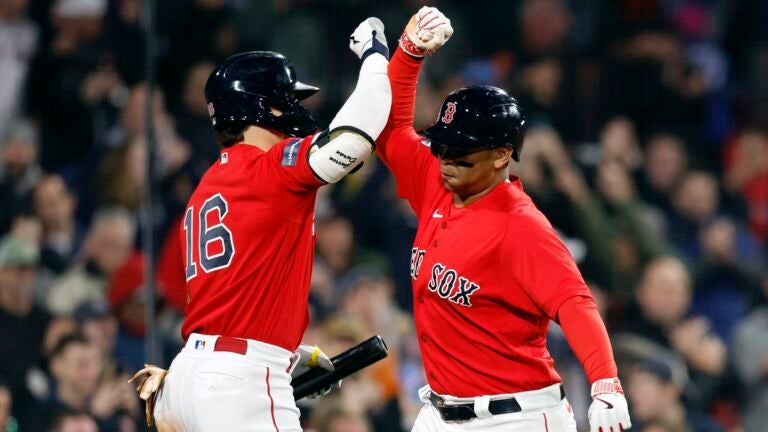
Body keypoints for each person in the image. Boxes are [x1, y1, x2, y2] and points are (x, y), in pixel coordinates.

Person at [375, 7, 631, 431]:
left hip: (517, 417)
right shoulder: (437, 179)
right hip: (439, 412)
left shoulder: (521, 225)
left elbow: (575, 303)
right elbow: (391, 130)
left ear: (501, 155)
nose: (447, 158)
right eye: (443, 144)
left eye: (462, 150)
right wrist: (408, 54)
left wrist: (606, 383)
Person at [135, 17, 392, 431]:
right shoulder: (268, 169)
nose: (294, 108)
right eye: (285, 99)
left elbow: (238, 292)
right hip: (238, 381)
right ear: (262, 106)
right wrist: (376, 57)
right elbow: (354, 138)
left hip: (187, 379)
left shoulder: (209, 183)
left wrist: (284, 350)